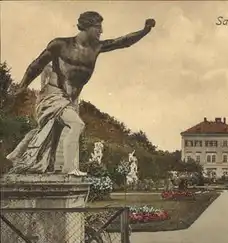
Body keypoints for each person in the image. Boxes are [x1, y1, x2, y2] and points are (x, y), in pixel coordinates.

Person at [7, 11, 156, 175]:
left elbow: (123, 42)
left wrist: (144, 31)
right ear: (86, 26)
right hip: (52, 94)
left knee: (50, 135)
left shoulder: (96, 48)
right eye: (98, 27)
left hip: (69, 99)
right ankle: (70, 169)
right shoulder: (60, 44)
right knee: (77, 124)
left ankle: (18, 155)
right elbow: (36, 65)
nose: (101, 31)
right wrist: (22, 87)